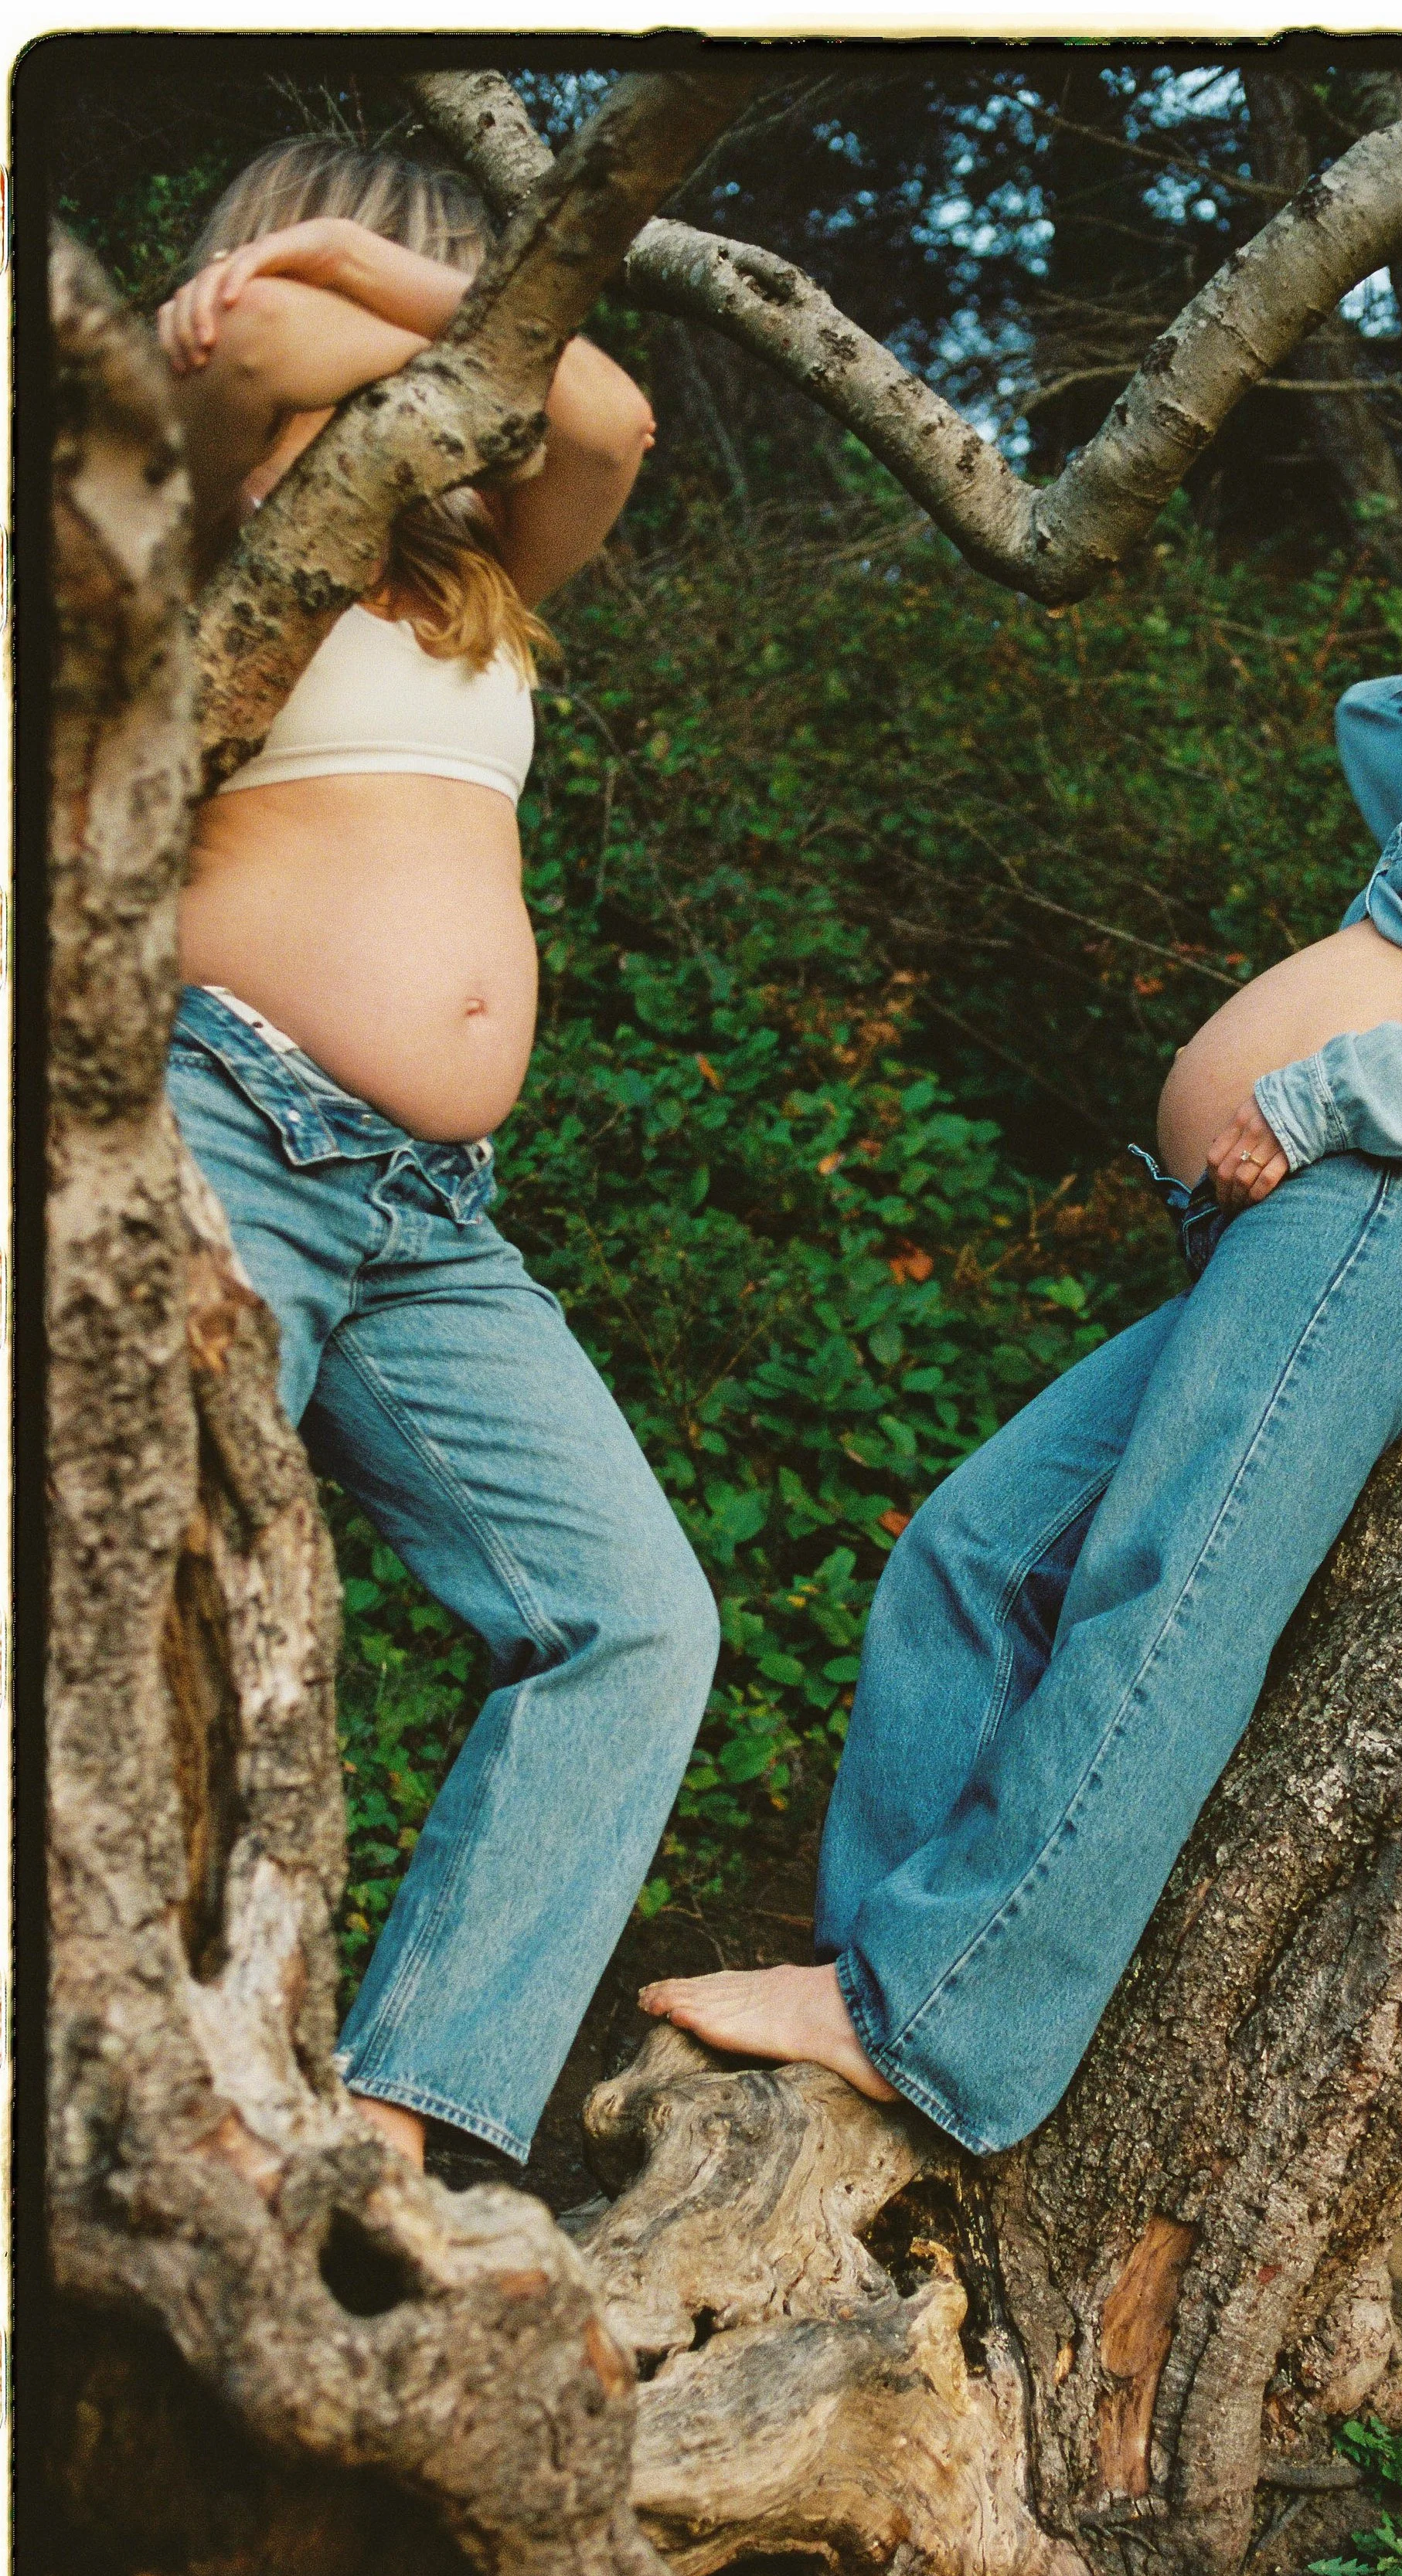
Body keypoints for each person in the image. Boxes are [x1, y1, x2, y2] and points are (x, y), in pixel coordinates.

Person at [641, 527, 1402, 2156]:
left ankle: (934, 2010)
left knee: (1166, 1576)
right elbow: (1367, 714)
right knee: (971, 1549)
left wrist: (1314, 1092)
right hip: (1289, 1227)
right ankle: (871, 1962)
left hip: (1387, 1196)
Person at [158, 139, 720, 2172]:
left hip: (423, 1213)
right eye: (438, 292)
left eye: (472, 297)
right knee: (150, 1629)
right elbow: (280, 344)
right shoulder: (191, 502)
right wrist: (316, 267)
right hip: (222, 1121)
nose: (463, 346)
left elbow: (607, 409)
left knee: (632, 1618)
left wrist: (368, 278)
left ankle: (394, 2130)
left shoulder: (477, 566)